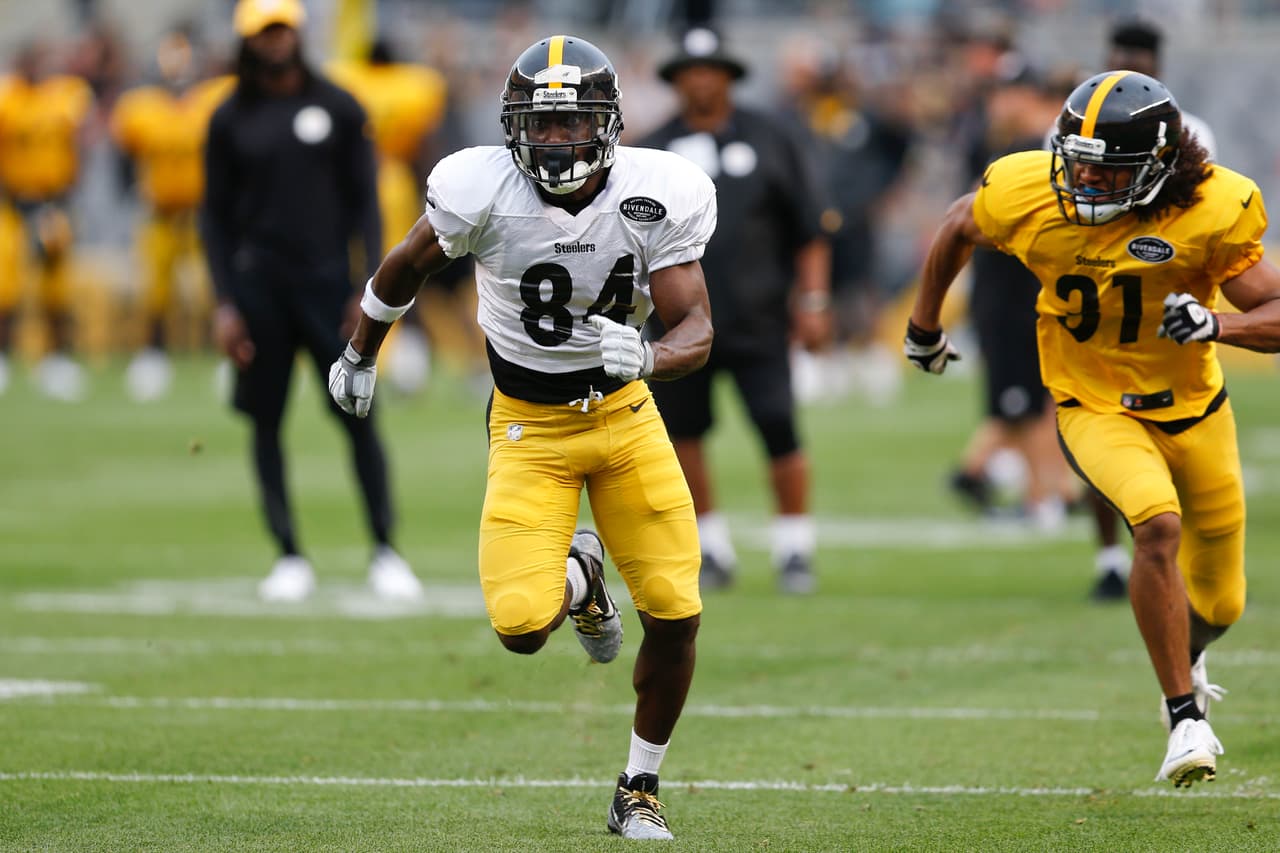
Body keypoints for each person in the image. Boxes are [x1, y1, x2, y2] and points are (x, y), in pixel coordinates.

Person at [327, 35, 714, 840]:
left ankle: (638, 785)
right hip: (528, 426)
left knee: (676, 610)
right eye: (542, 125)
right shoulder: (482, 190)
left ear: (607, 125)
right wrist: (360, 350)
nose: (557, 140)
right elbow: (404, 263)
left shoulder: (657, 191)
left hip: (624, 417)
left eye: (574, 124)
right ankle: (582, 573)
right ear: (514, 128)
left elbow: (698, 328)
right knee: (519, 625)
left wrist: (646, 354)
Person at [904, 69, 1280, 788]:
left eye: (1106, 172)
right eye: (1075, 164)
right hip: (1091, 404)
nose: (1082, 183)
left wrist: (1218, 323)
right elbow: (957, 224)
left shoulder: (1211, 208)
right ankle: (1183, 718)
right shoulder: (1028, 192)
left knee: (1224, 601)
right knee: (1155, 523)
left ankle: (1188, 651)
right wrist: (924, 326)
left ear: (1158, 168)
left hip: (1195, 410)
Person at [201, 0, 423, 603]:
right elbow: (214, 219)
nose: (274, 42)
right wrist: (225, 302)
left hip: (328, 287)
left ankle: (385, 547)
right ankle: (289, 553)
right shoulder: (228, 117)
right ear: (248, 40)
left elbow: (365, 203)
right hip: (258, 289)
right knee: (266, 420)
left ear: (297, 33)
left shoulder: (338, 106)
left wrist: (368, 287)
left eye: (281, 29)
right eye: (262, 32)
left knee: (357, 415)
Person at [637, 26, 831, 594]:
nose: (700, 81)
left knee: (778, 426)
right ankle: (711, 544)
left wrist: (813, 300)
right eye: (689, 73)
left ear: (727, 77)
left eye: (710, 71)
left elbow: (810, 228)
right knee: (683, 434)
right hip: (676, 321)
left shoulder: (771, 137)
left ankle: (795, 546)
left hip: (759, 317)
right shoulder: (651, 151)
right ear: (676, 81)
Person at [111, 25, 235, 401]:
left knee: (218, 288)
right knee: (156, 292)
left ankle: (226, 357)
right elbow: (123, 156)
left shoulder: (212, 101)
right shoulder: (142, 108)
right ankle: (153, 356)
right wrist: (133, 189)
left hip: (203, 215)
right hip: (161, 215)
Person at [0, 41, 94, 400]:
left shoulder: (65, 97)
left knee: (56, 286)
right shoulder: (8, 99)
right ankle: (3, 357)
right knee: (5, 285)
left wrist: (68, 196)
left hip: (53, 204)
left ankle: (56, 359)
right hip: (14, 205)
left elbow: (79, 145)